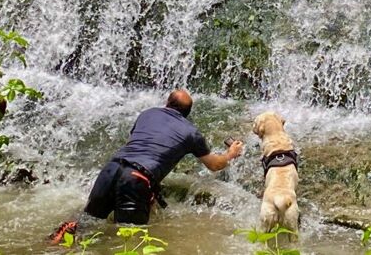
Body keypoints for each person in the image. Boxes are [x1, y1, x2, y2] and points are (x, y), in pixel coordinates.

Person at [51, 89, 244, 243]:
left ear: (167, 103)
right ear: (187, 114)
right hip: (137, 178)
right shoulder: (191, 132)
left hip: (111, 168)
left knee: (86, 223)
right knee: (130, 240)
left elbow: (134, 143)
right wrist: (230, 154)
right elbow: (214, 164)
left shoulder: (147, 114)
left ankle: (54, 243)